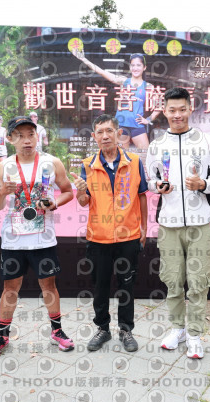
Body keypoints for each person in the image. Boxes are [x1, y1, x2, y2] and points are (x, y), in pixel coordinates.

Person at [0, 116, 75, 360]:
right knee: (10, 288)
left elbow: (67, 192)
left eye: (30, 134)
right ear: (10, 139)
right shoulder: (4, 166)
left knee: (49, 286)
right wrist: (2, 192)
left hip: (43, 238)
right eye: (20, 135)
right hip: (13, 239)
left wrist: (54, 203)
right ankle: (2, 336)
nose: (26, 140)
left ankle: (57, 331)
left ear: (37, 136)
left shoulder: (52, 162)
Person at [145, 87, 210, 359]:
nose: (177, 115)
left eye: (182, 109)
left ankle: (195, 334)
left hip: (199, 223)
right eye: (172, 110)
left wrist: (203, 184)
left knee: (199, 281)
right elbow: (150, 180)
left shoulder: (206, 141)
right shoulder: (156, 145)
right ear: (164, 111)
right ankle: (177, 328)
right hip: (169, 224)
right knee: (173, 279)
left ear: (190, 109)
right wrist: (158, 186)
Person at [71, 114, 148, 352]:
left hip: (128, 236)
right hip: (98, 237)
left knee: (127, 285)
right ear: (94, 136)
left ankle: (126, 330)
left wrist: (144, 227)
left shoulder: (134, 162)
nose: (105, 136)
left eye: (109, 131)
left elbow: (141, 196)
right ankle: (102, 329)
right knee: (100, 286)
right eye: (100, 132)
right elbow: (84, 202)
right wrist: (80, 191)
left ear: (118, 133)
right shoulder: (88, 165)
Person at [72, 50, 161, 150]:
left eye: (138, 65)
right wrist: (83, 59)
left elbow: (159, 105)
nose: (135, 68)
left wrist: (148, 119)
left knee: (146, 154)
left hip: (137, 125)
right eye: (133, 65)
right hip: (121, 125)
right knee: (123, 156)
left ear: (144, 67)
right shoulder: (124, 81)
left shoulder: (148, 86)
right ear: (130, 67)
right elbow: (101, 71)